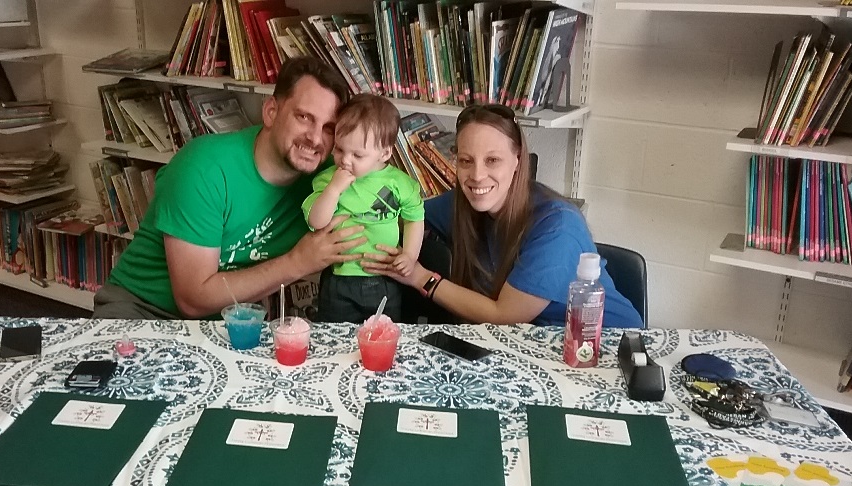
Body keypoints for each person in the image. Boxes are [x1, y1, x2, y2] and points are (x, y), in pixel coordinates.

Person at [93, 57, 366, 320]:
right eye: (304, 117)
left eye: (329, 128)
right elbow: (192, 300)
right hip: (140, 309)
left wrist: (391, 262)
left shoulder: (330, 176)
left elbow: (384, 196)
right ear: (271, 112)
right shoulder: (203, 169)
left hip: (228, 320)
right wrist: (298, 262)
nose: (315, 138)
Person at [363, 104, 644, 328]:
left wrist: (420, 277)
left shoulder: (558, 226)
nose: (477, 175)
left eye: (493, 160)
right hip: (525, 344)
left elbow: (504, 315)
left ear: (518, 160)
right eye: (466, 161)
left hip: (602, 346)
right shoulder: (462, 204)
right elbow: (398, 216)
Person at [302, 94, 424, 323]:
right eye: (339, 149)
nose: (345, 160)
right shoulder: (327, 180)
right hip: (339, 277)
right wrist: (333, 190)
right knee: (336, 334)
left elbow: (414, 218)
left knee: (383, 334)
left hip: (384, 278)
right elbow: (316, 222)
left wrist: (410, 255)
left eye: (357, 155)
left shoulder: (400, 183)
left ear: (385, 153)